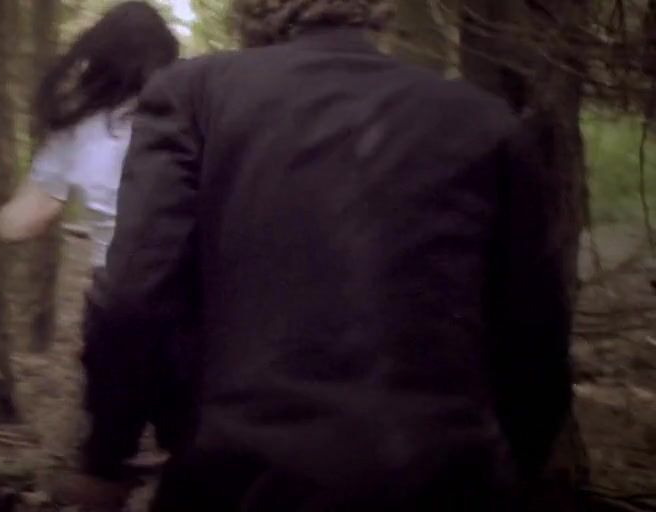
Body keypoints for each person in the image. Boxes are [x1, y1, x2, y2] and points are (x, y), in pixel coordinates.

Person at [61, 0, 575, 510]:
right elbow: (535, 336)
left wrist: (105, 454)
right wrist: (505, 469)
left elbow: (132, 295)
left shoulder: (193, 96)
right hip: (444, 480)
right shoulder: (482, 119)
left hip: (240, 480)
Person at [0, 0, 191, 465]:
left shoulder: (79, 130)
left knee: (107, 449)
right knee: (191, 442)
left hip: (120, 301)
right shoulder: (196, 118)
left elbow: (23, 221)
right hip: (195, 298)